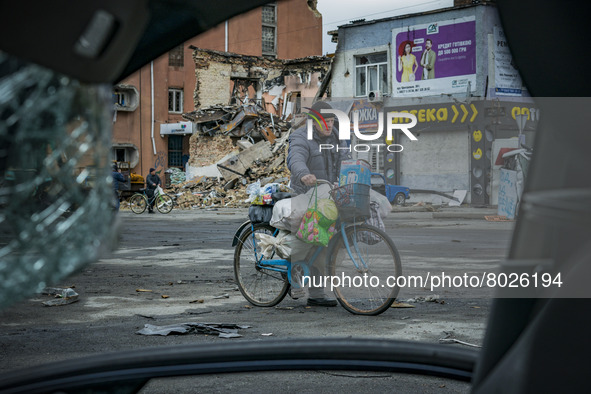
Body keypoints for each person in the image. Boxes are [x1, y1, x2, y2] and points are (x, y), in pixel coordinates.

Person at [287, 101, 350, 307]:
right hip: (304, 192)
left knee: (326, 242)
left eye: (331, 121)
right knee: (307, 237)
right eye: (325, 121)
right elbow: (295, 158)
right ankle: (293, 274)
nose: (329, 125)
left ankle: (316, 294)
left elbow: (345, 159)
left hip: (328, 195)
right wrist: (304, 174)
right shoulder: (300, 137)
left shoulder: (336, 138)